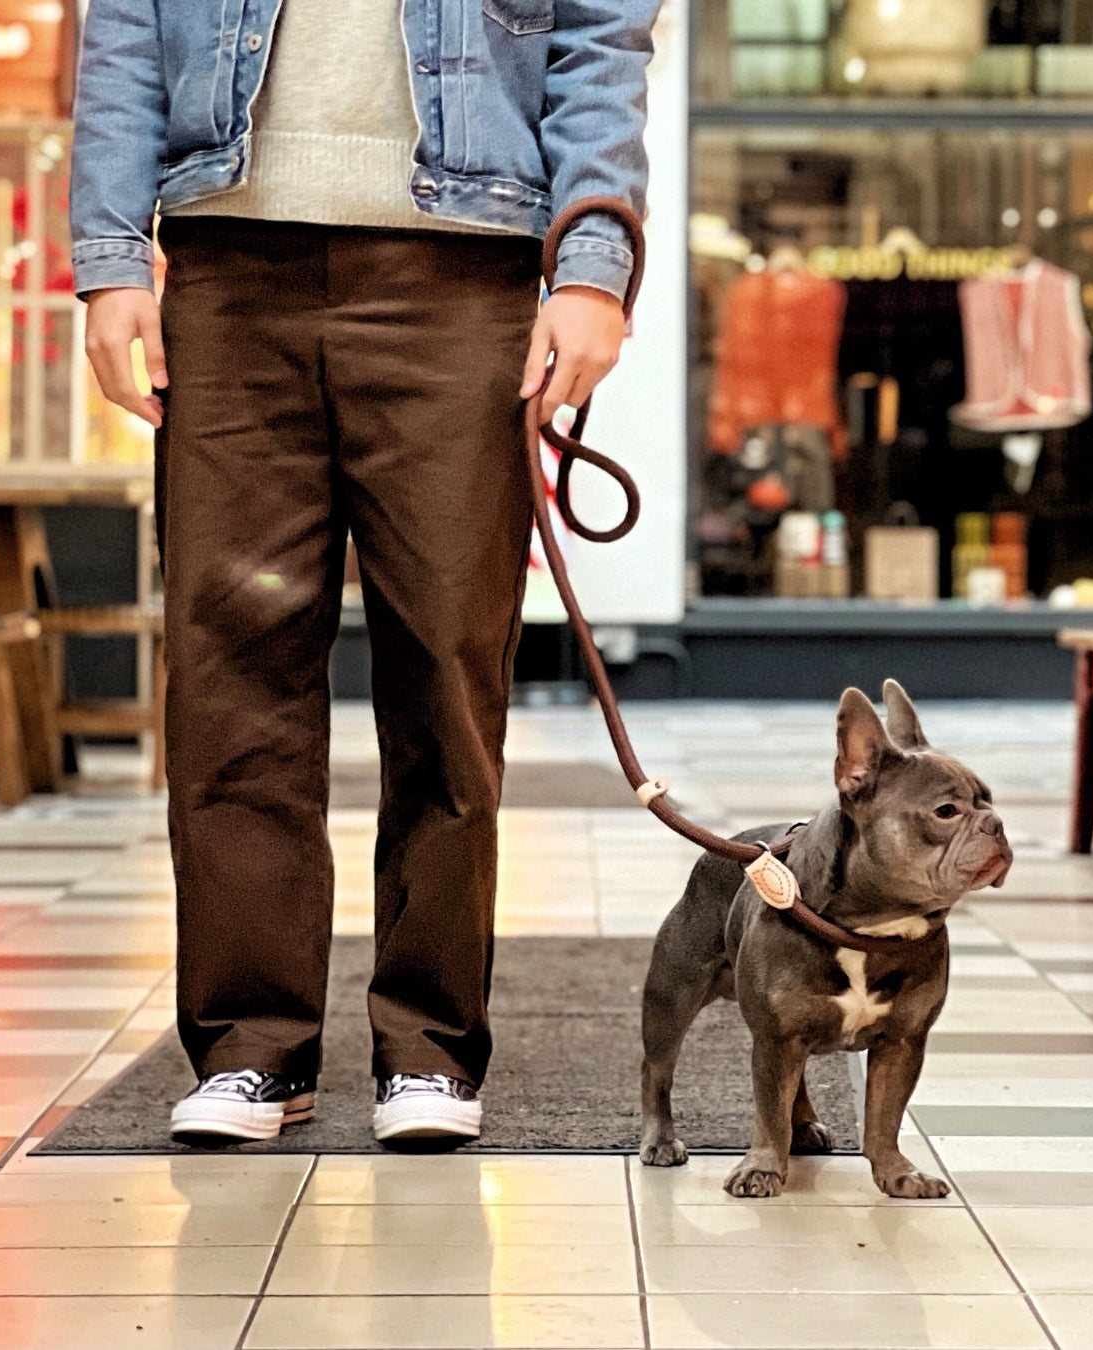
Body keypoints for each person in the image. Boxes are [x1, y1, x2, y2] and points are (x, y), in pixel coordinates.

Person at [69, 0, 658, 1146]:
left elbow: (601, 35)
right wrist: (106, 254)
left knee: (447, 661)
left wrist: (593, 265)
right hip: (228, 269)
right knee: (230, 669)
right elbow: (127, 25)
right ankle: (250, 1049)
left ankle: (430, 1051)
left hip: (460, 275)